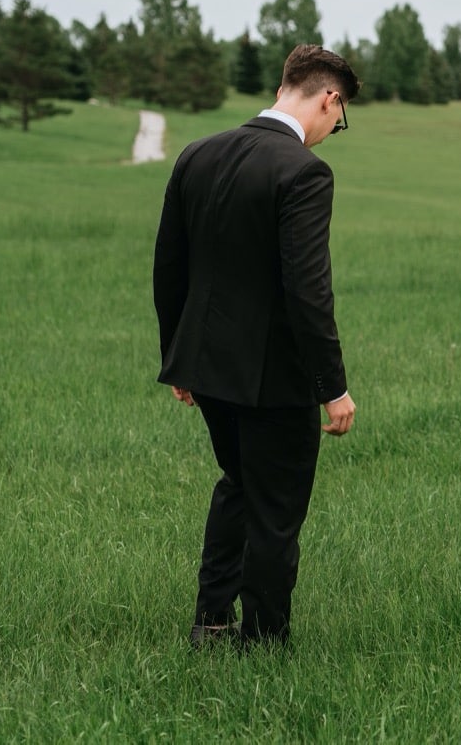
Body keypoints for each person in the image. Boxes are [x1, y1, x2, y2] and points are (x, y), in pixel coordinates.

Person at [153, 43, 360, 651]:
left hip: (207, 368)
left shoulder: (198, 153)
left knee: (238, 485)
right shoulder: (303, 172)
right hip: (274, 376)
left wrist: (179, 361)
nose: (330, 132)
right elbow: (307, 291)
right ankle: (264, 640)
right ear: (329, 99)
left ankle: (211, 622)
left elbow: (170, 268)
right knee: (274, 508)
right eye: (337, 119)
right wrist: (333, 387)